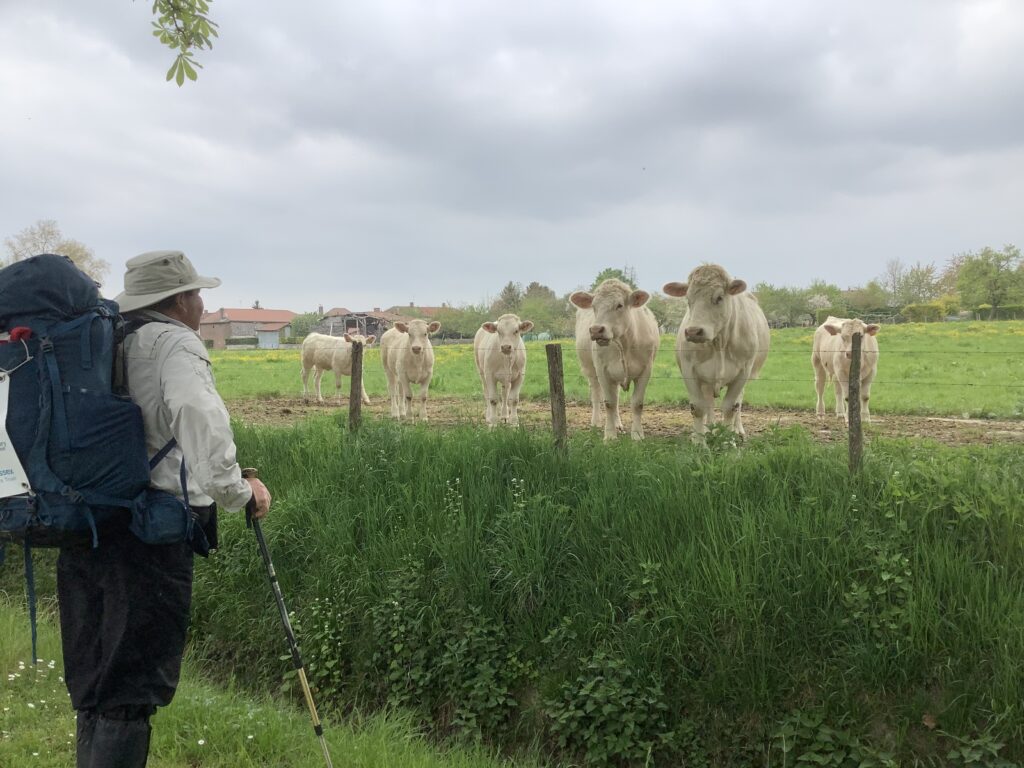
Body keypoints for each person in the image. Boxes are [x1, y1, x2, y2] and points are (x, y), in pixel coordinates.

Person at [56, 250, 272, 768]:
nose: (203, 304)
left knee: (95, 681)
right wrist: (240, 491)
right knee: (131, 688)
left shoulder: (101, 341)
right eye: (197, 293)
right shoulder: (172, 342)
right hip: (148, 535)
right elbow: (198, 416)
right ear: (178, 299)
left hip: (84, 525)